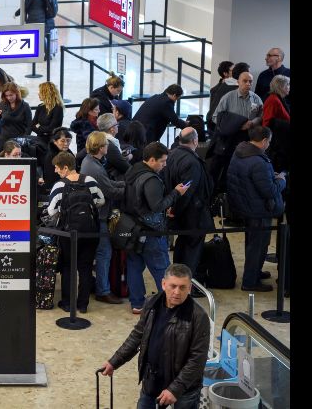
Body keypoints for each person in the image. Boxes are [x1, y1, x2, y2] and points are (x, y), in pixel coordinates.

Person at [99, 264, 210, 409]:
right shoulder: (152, 304)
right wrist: (114, 362)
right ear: (163, 284)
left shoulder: (198, 317)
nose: (177, 292)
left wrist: (175, 389)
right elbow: (137, 336)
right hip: (152, 379)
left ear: (189, 288)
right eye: (173, 286)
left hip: (184, 388)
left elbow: (197, 359)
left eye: (183, 287)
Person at [123, 142, 190, 314]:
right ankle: (170, 304)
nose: (165, 165)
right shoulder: (151, 179)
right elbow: (157, 206)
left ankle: (137, 304)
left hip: (133, 228)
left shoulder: (132, 171)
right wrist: (176, 193)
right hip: (151, 232)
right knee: (163, 270)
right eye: (162, 161)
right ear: (152, 160)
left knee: (134, 267)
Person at [227, 126, 286, 291]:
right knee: (258, 246)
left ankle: (254, 272)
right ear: (264, 140)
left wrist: (270, 177)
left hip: (246, 206)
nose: (269, 144)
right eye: (269, 141)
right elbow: (270, 191)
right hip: (258, 210)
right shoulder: (259, 161)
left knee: (252, 243)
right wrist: (281, 180)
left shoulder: (240, 152)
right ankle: (250, 282)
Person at [46, 151, 105, 313]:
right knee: (85, 267)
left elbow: (51, 211)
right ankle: (83, 304)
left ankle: (67, 303)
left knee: (68, 267)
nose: (56, 171)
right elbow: (101, 200)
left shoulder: (59, 185)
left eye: (57, 168)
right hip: (90, 231)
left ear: (65, 167)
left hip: (68, 233)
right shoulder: (90, 180)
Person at [161, 127, 215, 276]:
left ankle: (177, 277)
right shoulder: (192, 162)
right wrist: (175, 210)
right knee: (192, 250)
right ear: (195, 141)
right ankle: (188, 282)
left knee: (181, 245)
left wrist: (171, 208)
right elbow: (187, 192)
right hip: (193, 215)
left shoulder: (171, 155)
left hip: (177, 211)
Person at [79, 132, 125, 305]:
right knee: (104, 253)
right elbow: (110, 191)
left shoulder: (89, 161)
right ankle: (103, 291)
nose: (108, 147)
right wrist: (131, 189)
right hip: (100, 216)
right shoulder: (96, 168)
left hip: (94, 215)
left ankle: (100, 286)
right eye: (106, 144)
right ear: (100, 148)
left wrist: (124, 184)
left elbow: (107, 183)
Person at [209, 63, 263, 194]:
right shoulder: (228, 97)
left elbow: (261, 116)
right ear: (238, 82)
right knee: (216, 171)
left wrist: (253, 122)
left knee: (235, 173)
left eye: (250, 81)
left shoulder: (256, 98)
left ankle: (229, 198)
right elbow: (215, 117)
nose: (248, 84)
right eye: (245, 81)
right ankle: (211, 197)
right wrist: (233, 124)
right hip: (226, 140)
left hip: (245, 140)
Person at [205, 61, 237, 133]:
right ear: (225, 73)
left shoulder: (235, 86)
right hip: (218, 125)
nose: (236, 72)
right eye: (233, 70)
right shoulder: (215, 90)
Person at [0, 82, 32, 147]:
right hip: (4, 138)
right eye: (6, 95)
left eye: (11, 95)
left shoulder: (25, 106)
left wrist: (24, 138)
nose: (9, 98)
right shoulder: (2, 105)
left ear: (17, 93)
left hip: (20, 139)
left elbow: (29, 125)